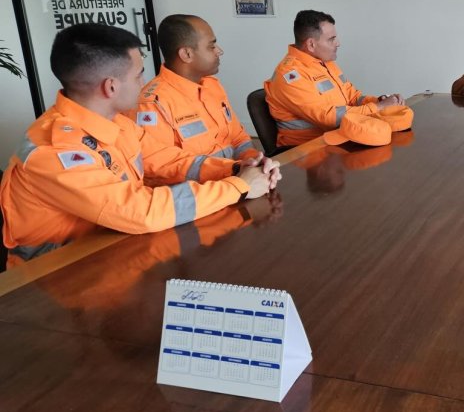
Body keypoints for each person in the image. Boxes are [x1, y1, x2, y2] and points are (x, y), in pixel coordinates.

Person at [0, 23, 280, 264]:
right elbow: (139, 210)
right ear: (110, 87)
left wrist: (236, 169)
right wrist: (239, 187)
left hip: (114, 248)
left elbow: (168, 160)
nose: (144, 82)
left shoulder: (116, 122)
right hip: (51, 278)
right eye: (138, 75)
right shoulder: (55, 150)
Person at [132, 14, 266, 185]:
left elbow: (238, 138)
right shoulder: (152, 104)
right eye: (211, 46)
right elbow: (161, 167)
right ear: (187, 53)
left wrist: (255, 161)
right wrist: (235, 169)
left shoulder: (212, 86)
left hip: (236, 182)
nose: (219, 51)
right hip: (200, 197)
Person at [265, 9, 404, 147]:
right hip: (306, 150)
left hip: (338, 138)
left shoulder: (326, 62)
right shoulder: (289, 76)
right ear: (311, 44)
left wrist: (380, 100)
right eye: (331, 39)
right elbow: (328, 117)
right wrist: (378, 107)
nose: (338, 43)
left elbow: (353, 98)